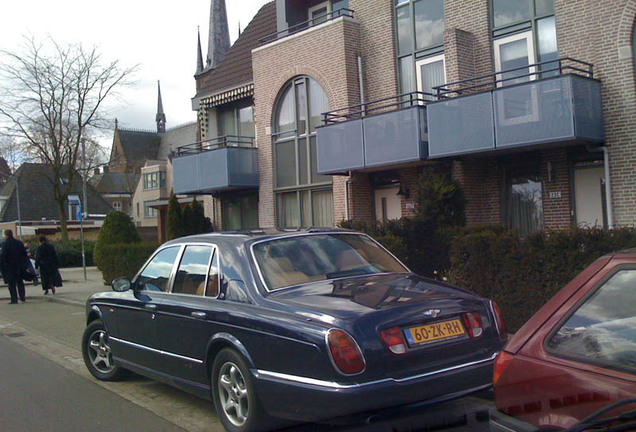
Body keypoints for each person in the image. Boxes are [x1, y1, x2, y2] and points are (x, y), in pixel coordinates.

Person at [0, 229, 28, 304]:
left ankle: (14, 299)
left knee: (11, 284)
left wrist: (2, 266)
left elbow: (3, 256)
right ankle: (22, 297)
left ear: (6, 235)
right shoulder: (19, 243)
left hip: (10, 267)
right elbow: (24, 254)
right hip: (19, 266)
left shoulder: (5, 244)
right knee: (20, 282)